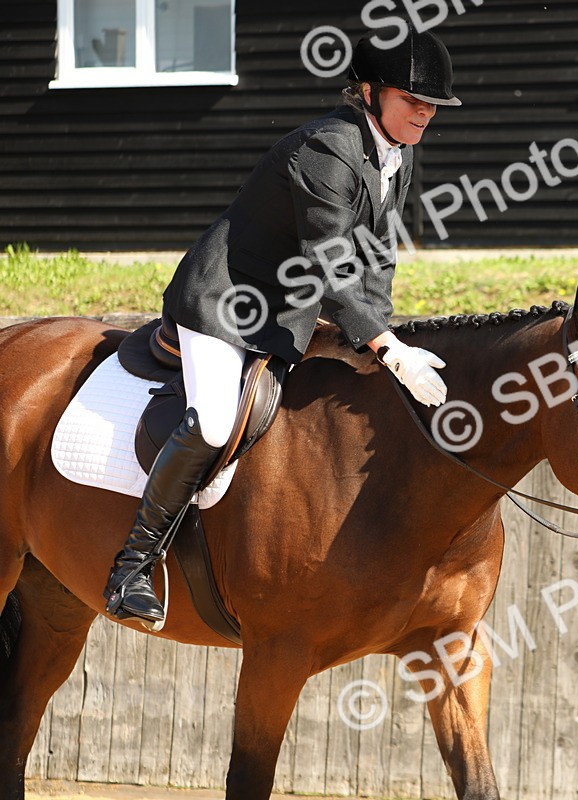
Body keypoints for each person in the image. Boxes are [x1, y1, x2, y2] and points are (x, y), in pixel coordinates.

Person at [103, 29, 459, 629]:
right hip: (224, 300)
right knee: (215, 421)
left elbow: (374, 258)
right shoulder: (331, 149)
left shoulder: (395, 152)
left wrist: (383, 333)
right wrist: (390, 350)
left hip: (285, 310)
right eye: (412, 100)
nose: (424, 114)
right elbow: (332, 263)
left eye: (432, 106)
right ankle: (132, 565)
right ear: (369, 93)